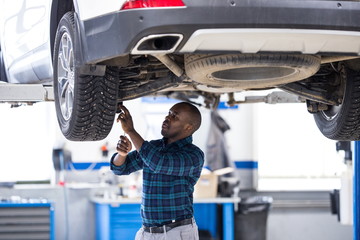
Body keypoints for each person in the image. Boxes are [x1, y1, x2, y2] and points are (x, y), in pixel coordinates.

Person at [110, 102, 204, 240]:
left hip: (177, 232)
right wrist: (122, 154)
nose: (167, 118)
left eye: (174, 117)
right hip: (147, 232)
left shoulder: (194, 155)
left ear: (188, 127)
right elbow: (120, 168)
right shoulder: (153, 147)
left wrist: (131, 131)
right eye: (169, 113)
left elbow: (159, 162)